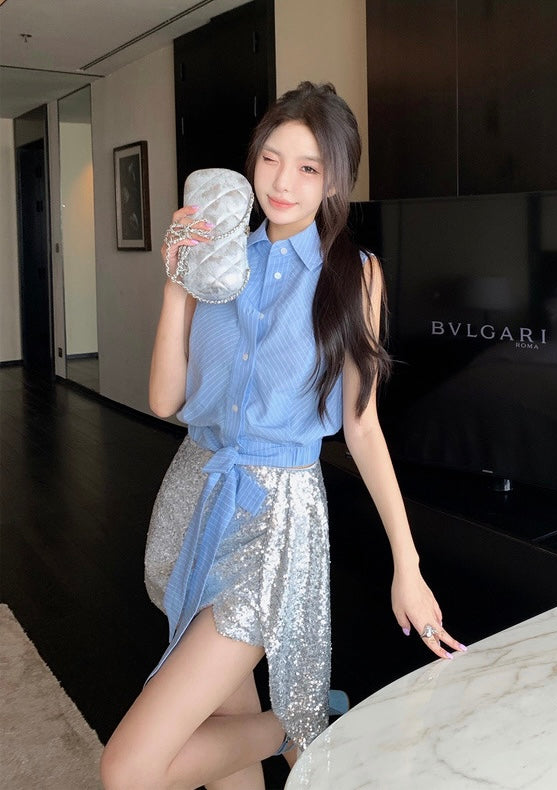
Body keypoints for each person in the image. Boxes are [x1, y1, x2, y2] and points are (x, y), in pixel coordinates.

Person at [100, 82, 465, 790]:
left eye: (307, 167)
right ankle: (287, 727)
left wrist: (408, 562)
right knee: (220, 726)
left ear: (334, 180)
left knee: (129, 768)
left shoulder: (354, 276)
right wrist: (177, 282)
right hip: (195, 495)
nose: (282, 182)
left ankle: (298, 725)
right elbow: (165, 399)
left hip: (275, 521)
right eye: (270, 158)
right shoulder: (217, 261)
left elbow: (362, 426)